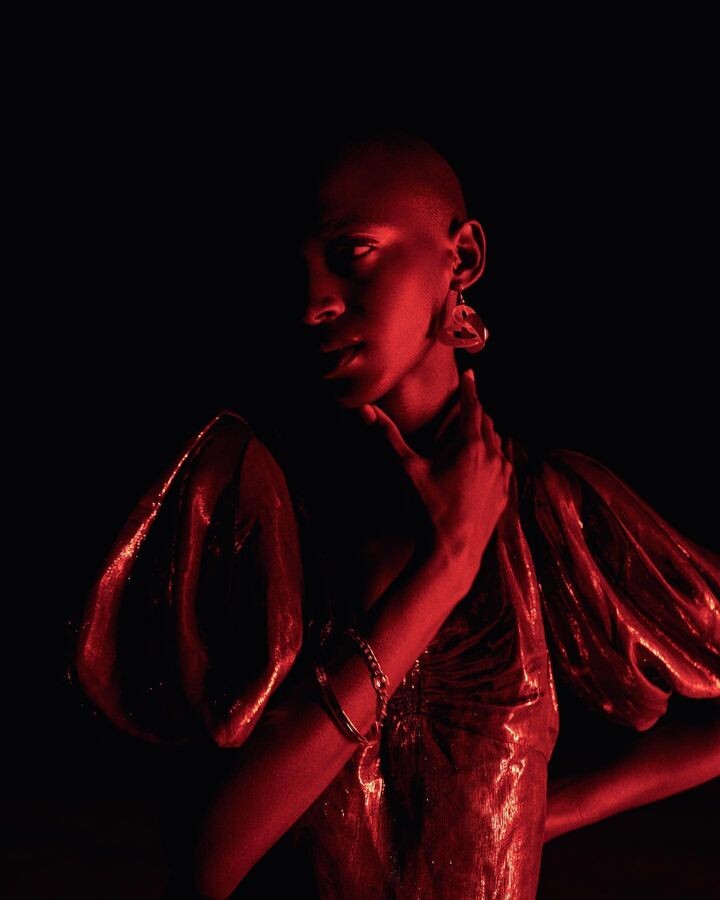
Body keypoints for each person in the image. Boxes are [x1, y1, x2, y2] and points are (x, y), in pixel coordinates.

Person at [71, 130, 720, 899]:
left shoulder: (549, 512)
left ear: (463, 258)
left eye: (352, 253)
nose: (314, 304)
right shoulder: (246, 503)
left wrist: (547, 811)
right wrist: (444, 570)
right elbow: (207, 862)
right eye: (295, 270)